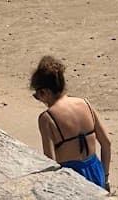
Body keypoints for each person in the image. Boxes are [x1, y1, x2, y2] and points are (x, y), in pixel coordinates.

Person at [30, 54, 111, 191]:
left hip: (72, 175)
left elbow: (51, 161)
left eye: (37, 95)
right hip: (96, 170)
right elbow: (106, 143)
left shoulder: (47, 118)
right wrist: (106, 176)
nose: (39, 100)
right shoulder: (85, 104)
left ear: (45, 92)